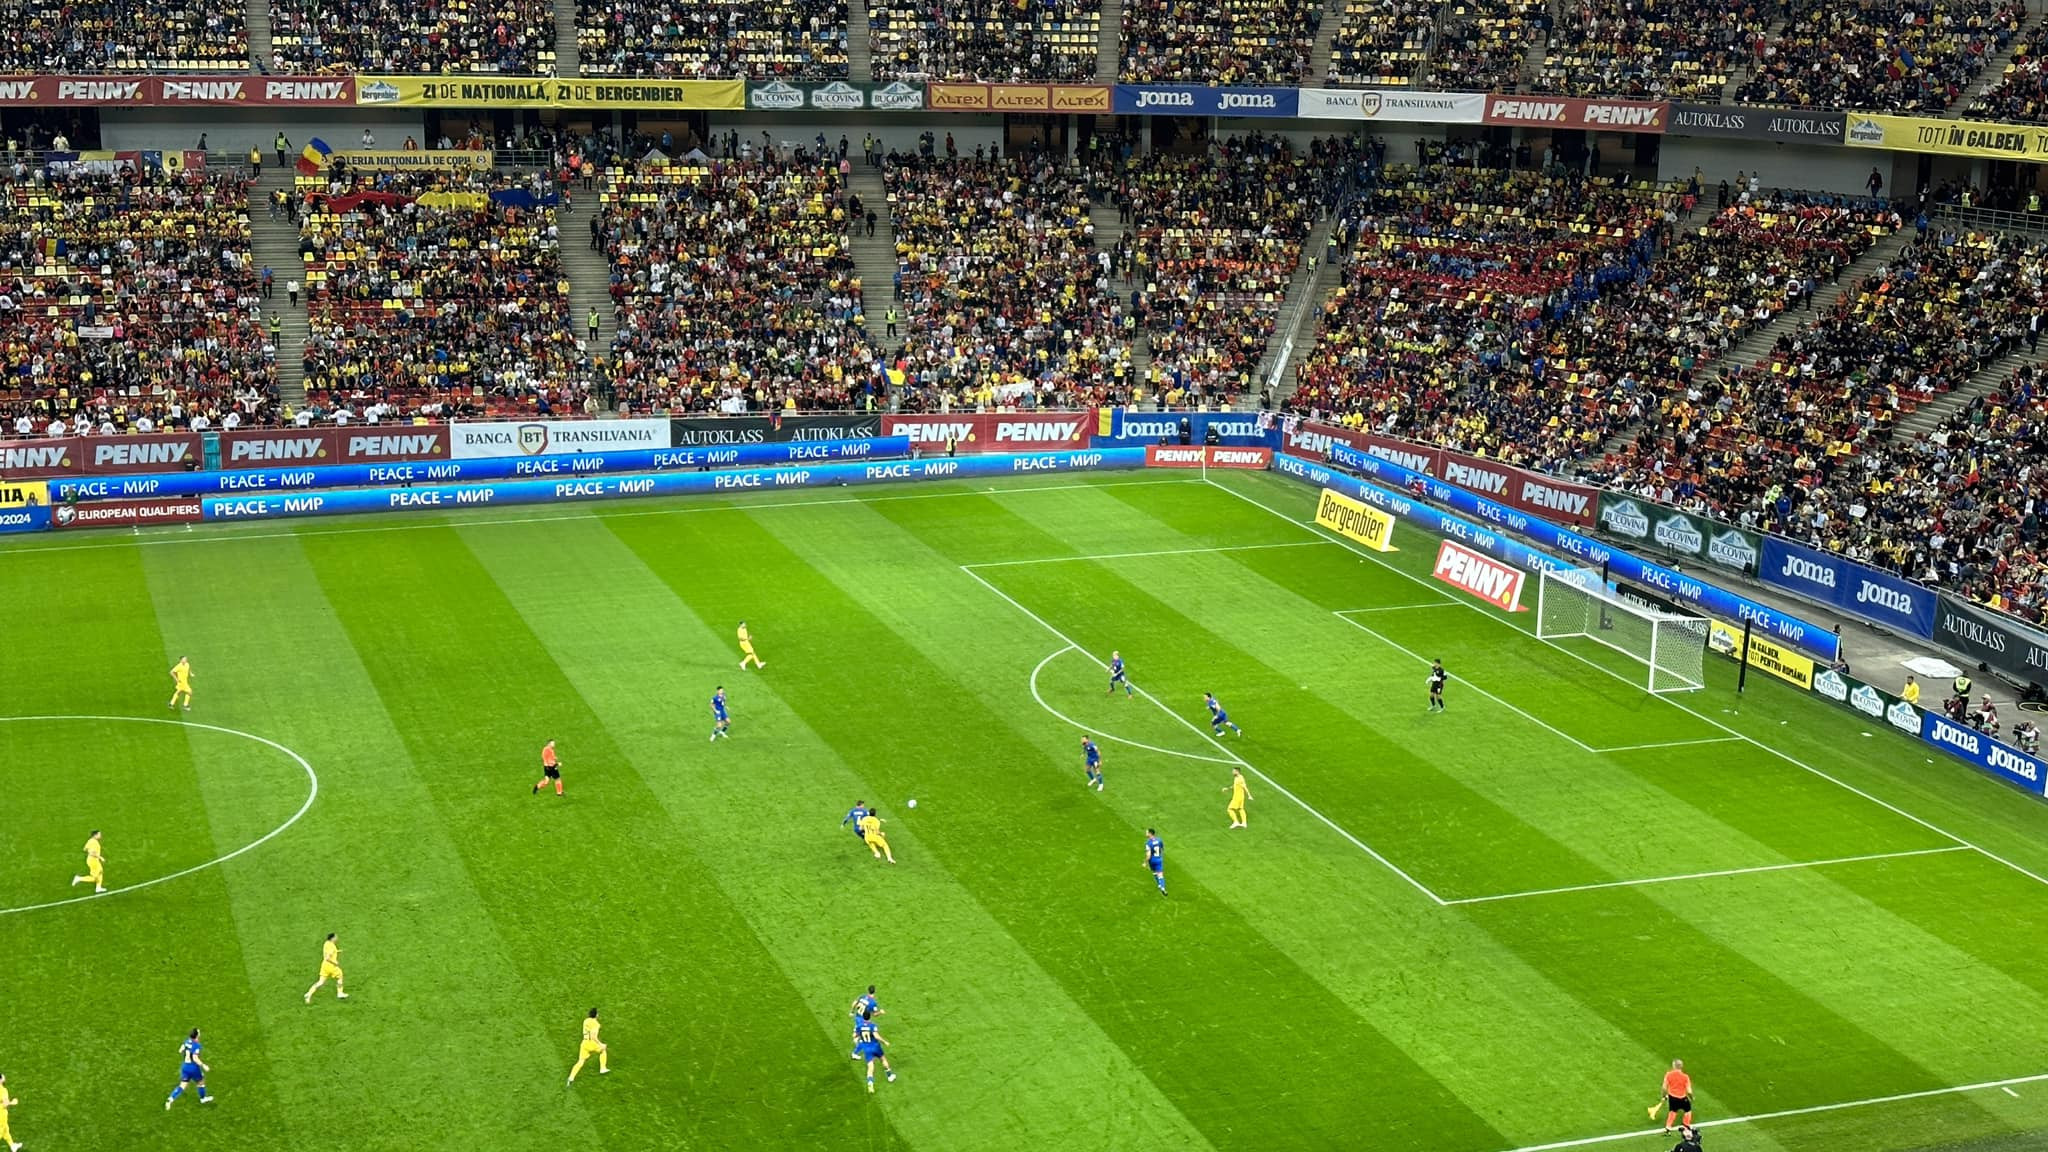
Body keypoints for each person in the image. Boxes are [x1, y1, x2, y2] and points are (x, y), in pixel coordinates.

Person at [166, 1029, 213, 1108]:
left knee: (182, 1085)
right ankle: (203, 1098)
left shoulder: (186, 1041)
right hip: (193, 1067)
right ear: (197, 1035)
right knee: (201, 1082)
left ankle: (170, 1099)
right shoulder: (197, 1045)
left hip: (185, 1066)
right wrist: (204, 1065)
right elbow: (195, 1058)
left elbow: (180, 1050)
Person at [853, 1015, 895, 1092]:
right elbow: (876, 1036)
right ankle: (890, 1076)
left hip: (867, 1049)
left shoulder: (859, 1026)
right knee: (883, 1059)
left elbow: (855, 1036)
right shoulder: (872, 1025)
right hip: (875, 1047)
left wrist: (858, 1040)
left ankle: (870, 1083)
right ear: (869, 1017)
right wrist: (884, 1041)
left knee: (870, 1066)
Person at [1651, 1058, 1693, 1132]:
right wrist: (1691, 1097)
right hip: (1682, 1097)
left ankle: (1668, 1126)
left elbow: (1664, 1087)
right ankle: (1686, 1124)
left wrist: (1664, 1095)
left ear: (1673, 1066)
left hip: (1672, 1097)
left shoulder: (1668, 1075)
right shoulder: (1685, 1077)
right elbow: (1689, 1091)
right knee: (1688, 1110)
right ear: (1682, 1066)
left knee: (1673, 1111)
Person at [568, 1008, 609, 1083]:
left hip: (584, 1043)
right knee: (603, 1050)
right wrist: (601, 1044)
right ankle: (603, 1068)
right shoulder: (596, 1024)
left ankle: (571, 1077)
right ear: (596, 1015)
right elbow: (593, 1036)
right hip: (592, 1043)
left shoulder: (586, 1021)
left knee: (580, 1061)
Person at [304, 933, 346, 1003]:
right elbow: (327, 958)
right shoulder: (332, 946)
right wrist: (335, 963)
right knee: (340, 976)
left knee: (320, 982)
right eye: (336, 937)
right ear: (332, 938)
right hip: (331, 966)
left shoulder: (326, 943)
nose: (337, 938)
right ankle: (340, 993)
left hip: (324, 966)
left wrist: (337, 951)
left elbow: (327, 953)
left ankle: (309, 994)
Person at [71, 829, 105, 893]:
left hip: (91, 860)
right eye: (99, 834)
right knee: (94, 878)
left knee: (100, 872)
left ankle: (98, 888)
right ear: (95, 835)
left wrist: (89, 851)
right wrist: (100, 857)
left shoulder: (90, 840)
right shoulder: (94, 843)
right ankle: (78, 878)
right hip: (93, 861)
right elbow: (92, 853)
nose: (100, 835)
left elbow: (84, 849)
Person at [1144, 829, 1166, 896]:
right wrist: (1160, 856)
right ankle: (1163, 888)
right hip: (1159, 860)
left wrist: (1145, 862)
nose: (1145, 833)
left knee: (1154, 872)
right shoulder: (1159, 840)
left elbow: (1148, 855)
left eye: (1147, 832)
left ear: (1150, 834)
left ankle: (1159, 884)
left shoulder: (1148, 843)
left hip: (1152, 861)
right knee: (1160, 874)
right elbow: (1162, 848)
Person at [0, 1071, 17, 1152]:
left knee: (6, 1129)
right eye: (2, 1077)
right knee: (1, 1130)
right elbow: (5, 1104)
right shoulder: (3, 1090)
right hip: (1, 1114)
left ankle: (12, 1146)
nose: (4, 1077)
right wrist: (13, 1102)